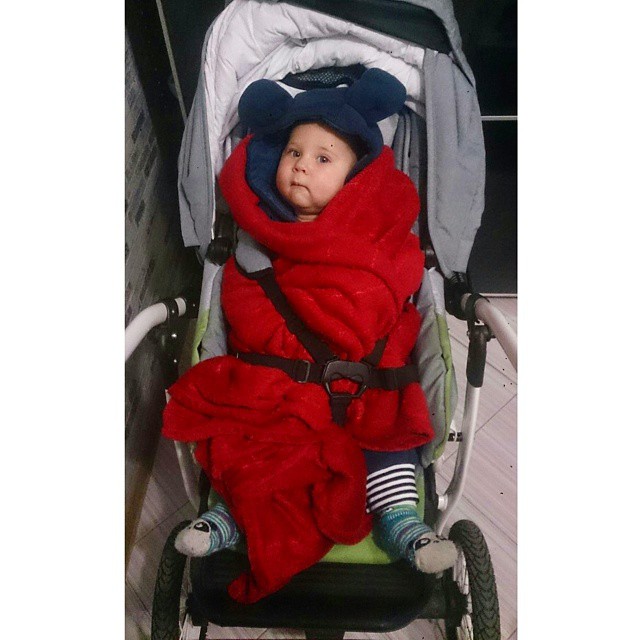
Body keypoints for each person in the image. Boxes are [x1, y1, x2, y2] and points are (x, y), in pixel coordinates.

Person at [162, 69, 457, 604]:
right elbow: (243, 309)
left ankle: (399, 520)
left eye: (324, 158)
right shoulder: (258, 241)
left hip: (362, 376)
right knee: (255, 437)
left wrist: (359, 333)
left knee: (385, 434)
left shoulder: (376, 237)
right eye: (293, 152)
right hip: (280, 383)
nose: (301, 164)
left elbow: (392, 296)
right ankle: (232, 516)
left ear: (355, 177)